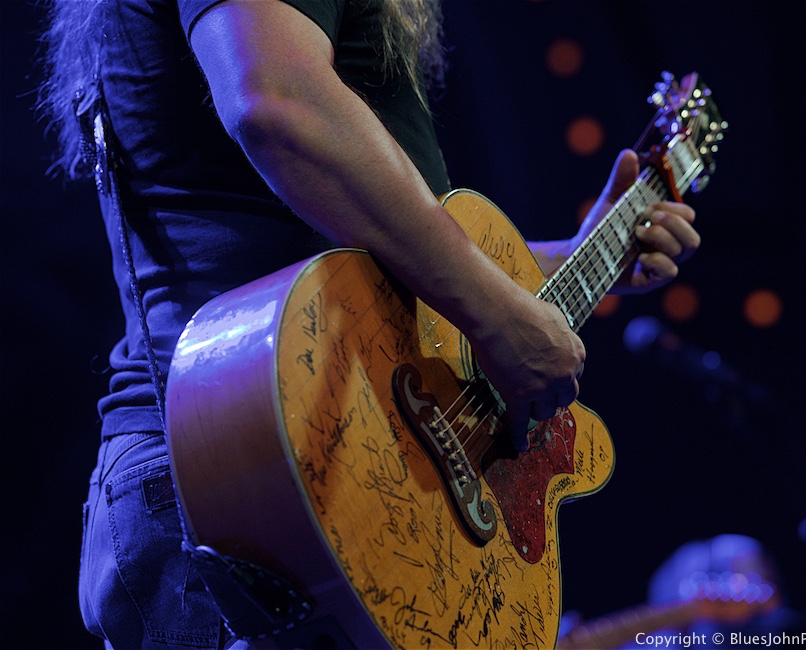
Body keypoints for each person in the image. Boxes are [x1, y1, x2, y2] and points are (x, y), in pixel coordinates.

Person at [39, 0, 701, 648]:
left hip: (319, 450)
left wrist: (573, 257)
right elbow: (277, 103)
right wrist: (499, 314)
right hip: (252, 472)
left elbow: (359, 258)